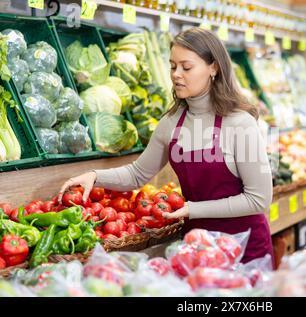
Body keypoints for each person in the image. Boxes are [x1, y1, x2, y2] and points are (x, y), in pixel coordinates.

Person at [58, 27, 274, 266]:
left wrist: (192, 209)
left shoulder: (240, 123)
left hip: (245, 248)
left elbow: (259, 199)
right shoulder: (171, 123)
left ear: (214, 67)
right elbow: (137, 174)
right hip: (196, 247)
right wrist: (94, 176)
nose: (176, 74)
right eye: (172, 66)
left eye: (186, 67)